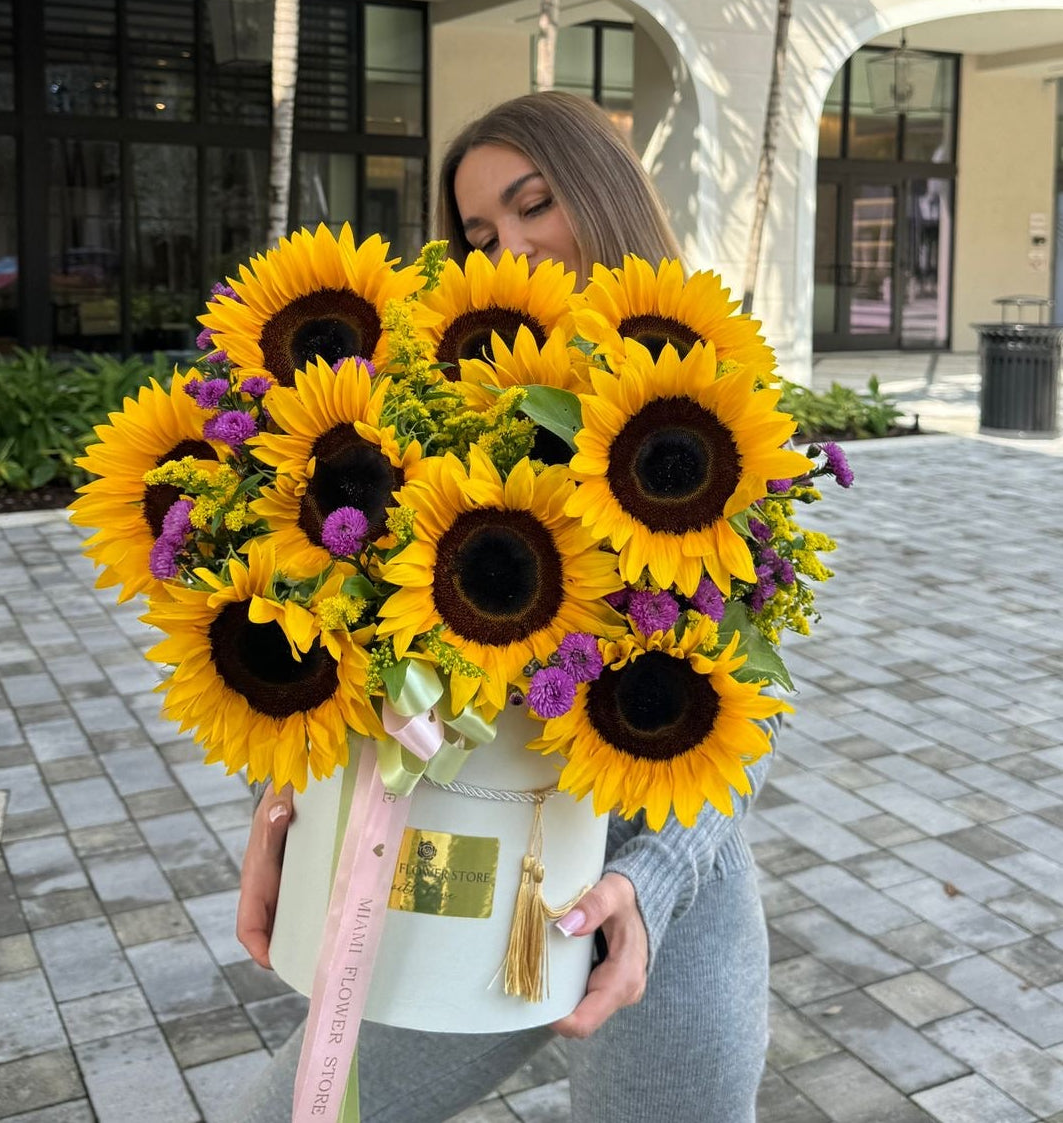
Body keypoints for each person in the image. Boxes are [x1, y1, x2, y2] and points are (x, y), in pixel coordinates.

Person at [229, 91, 779, 1123]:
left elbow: (749, 718)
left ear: (603, 195)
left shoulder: (709, 414)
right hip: (458, 873)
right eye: (481, 234)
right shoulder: (420, 400)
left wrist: (650, 879)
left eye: (535, 205)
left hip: (653, 903)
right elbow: (332, 644)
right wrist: (278, 808)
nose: (512, 248)